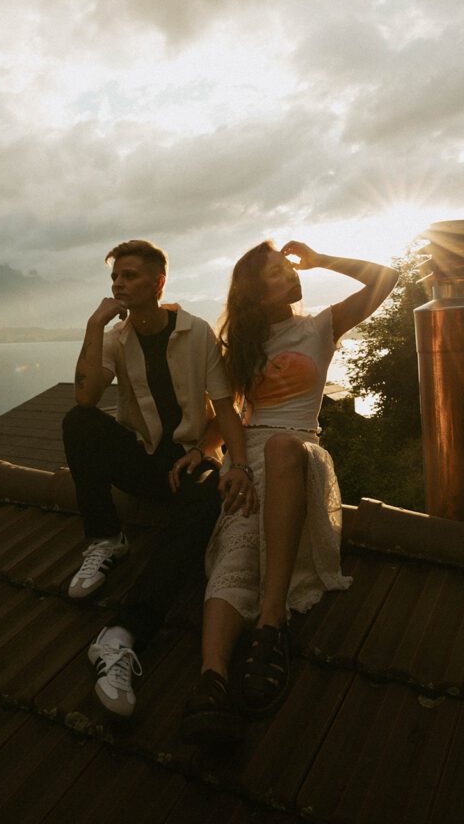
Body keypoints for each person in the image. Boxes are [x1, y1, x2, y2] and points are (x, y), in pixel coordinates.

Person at [181, 239, 398, 742]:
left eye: (287, 268)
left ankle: (271, 628)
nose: (289, 276)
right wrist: (203, 449)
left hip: (298, 454)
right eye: (275, 274)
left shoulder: (318, 327)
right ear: (253, 296)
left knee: (280, 446)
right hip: (249, 460)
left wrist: (322, 259)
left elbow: (387, 277)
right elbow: (231, 412)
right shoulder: (243, 346)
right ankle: (210, 678)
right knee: (236, 555)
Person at [62, 239, 250, 719]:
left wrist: (236, 464)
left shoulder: (196, 332)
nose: (119, 284)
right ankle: (105, 539)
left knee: (208, 496)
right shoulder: (115, 337)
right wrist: (93, 324)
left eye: (129, 276)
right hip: (143, 459)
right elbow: (85, 396)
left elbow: (226, 408)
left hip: (186, 461)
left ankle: (122, 634)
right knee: (78, 422)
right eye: (115, 278)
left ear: (158, 282)